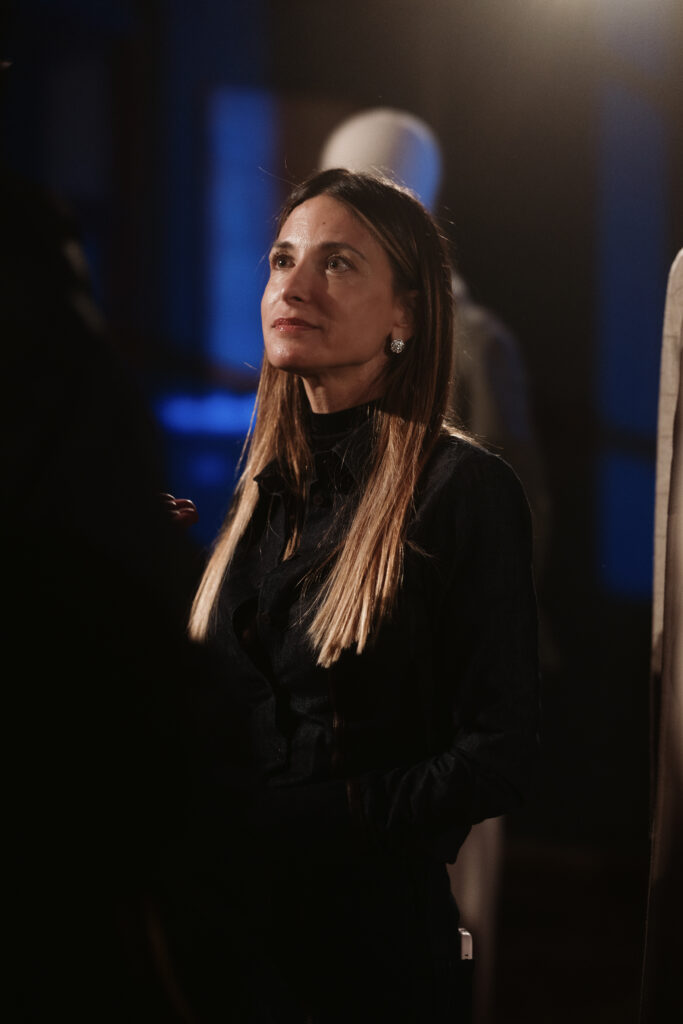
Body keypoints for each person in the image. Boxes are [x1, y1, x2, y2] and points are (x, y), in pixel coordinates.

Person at [181, 168, 539, 1023]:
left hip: (367, 959)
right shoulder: (261, 494)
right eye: (282, 259)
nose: (295, 286)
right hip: (229, 947)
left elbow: (498, 755)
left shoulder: (461, 490)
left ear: (405, 315)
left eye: (337, 263)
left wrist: (317, 821)